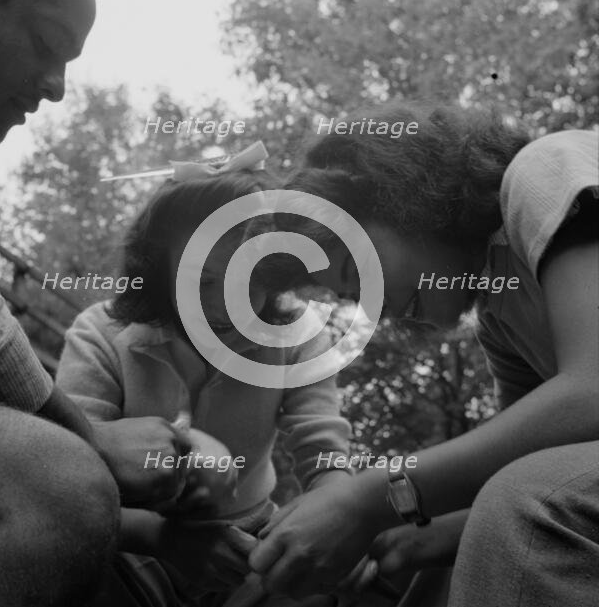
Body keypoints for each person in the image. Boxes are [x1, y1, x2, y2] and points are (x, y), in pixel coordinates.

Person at [249, 102, 599, 606]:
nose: (374, 306)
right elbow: (535, 458)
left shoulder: (544, 169)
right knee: (432, 564)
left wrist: (369, 499)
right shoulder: (501, 324)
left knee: (521, 502)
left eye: (355, 270)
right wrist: (412, 530)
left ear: (398, 198)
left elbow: (591, 393)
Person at [56, 167, 354, 607]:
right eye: (204, 281)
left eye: (251, 278)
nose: (224, 303)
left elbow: (322, 443)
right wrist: (159, 538)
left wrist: (334, 515)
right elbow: (64, 476)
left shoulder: (301, 337)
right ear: (159, 268)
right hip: (127, 541)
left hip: (251, 547)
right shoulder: (100, 334)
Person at [0, 0, 121, 605]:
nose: (56, 87)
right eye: (46, 43)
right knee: (62, 490)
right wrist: (94, 440)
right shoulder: (107, 335)